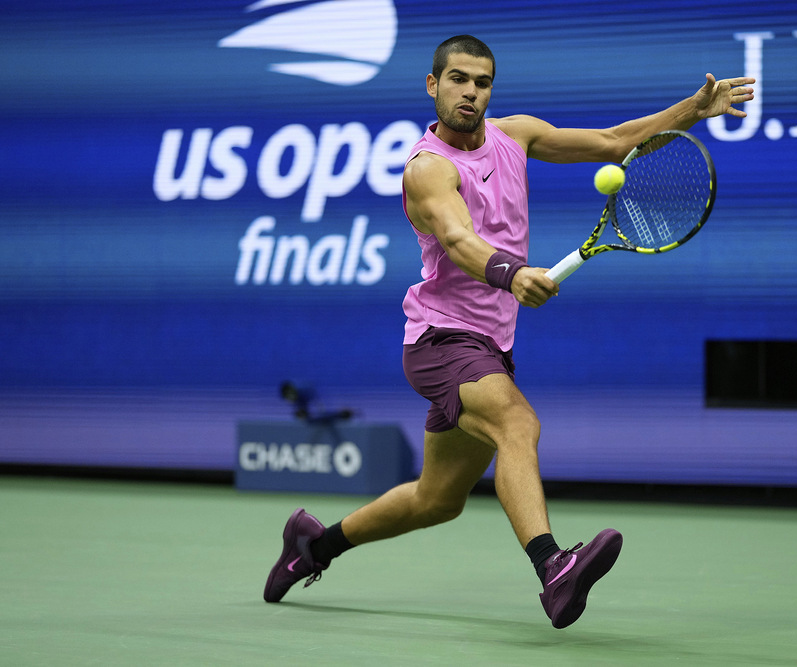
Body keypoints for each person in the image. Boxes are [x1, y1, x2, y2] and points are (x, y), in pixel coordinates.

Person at [263, 34, 754, 628]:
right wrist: (512, 272)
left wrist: (690, 110)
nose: (471, 92)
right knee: (517, 422)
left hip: (490, 346)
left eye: (482, 82)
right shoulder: (427, 170)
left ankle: (313, 545)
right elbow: (457, 240)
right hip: (441, 341)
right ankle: (553, 569)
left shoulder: (514, 134)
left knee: (436, 500)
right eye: (458, 80)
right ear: (433, 85)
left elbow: (613, 142)